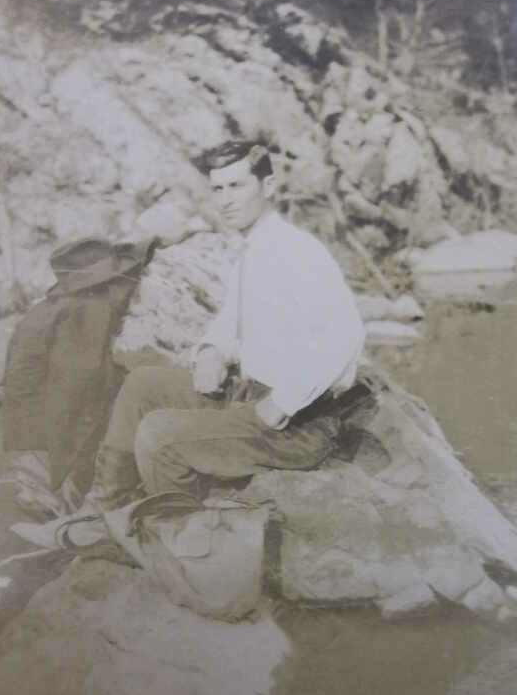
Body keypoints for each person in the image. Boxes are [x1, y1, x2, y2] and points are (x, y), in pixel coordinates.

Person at [93, 140, 366, 508]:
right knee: (144, 384)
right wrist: (212, 352)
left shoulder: (299, 251)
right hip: (247, 395)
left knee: (160, 434)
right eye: (218, 189)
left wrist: (283, 402)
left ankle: (175, 535)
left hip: (298, 424)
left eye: (237, 186)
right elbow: (232, 323)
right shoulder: (253, 252)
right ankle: (104, 509)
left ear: (267, 187)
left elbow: (346, 333)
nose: (225, 200)